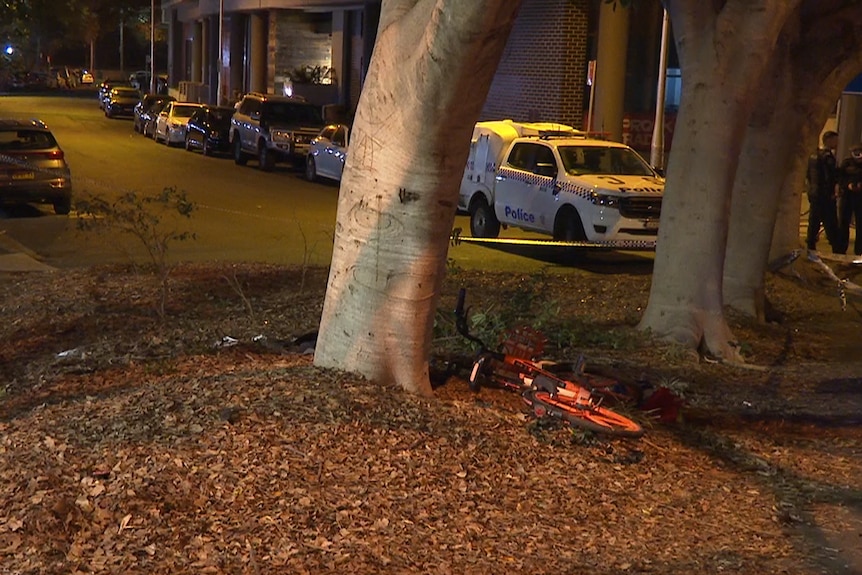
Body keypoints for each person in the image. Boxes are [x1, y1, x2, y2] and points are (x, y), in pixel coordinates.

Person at [805, 130, 841, 258]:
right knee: (830, 222)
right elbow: (829, 177)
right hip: (825, 195)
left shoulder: (813, 155)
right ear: (829, 140)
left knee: (814, 221)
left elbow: (809, 175)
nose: (837, 143)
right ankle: (837, 249)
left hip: (815, 193)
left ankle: (810, 246)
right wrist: (832, 191)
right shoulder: (827, 157)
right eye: (835, 140)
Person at [837, 143, 862, 256]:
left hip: (860, 198)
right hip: (847, 196)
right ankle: (841, 248)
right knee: (844, 222)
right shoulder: (846, 163)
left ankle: (859, 250)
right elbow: (840, 177)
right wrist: (847, 185)